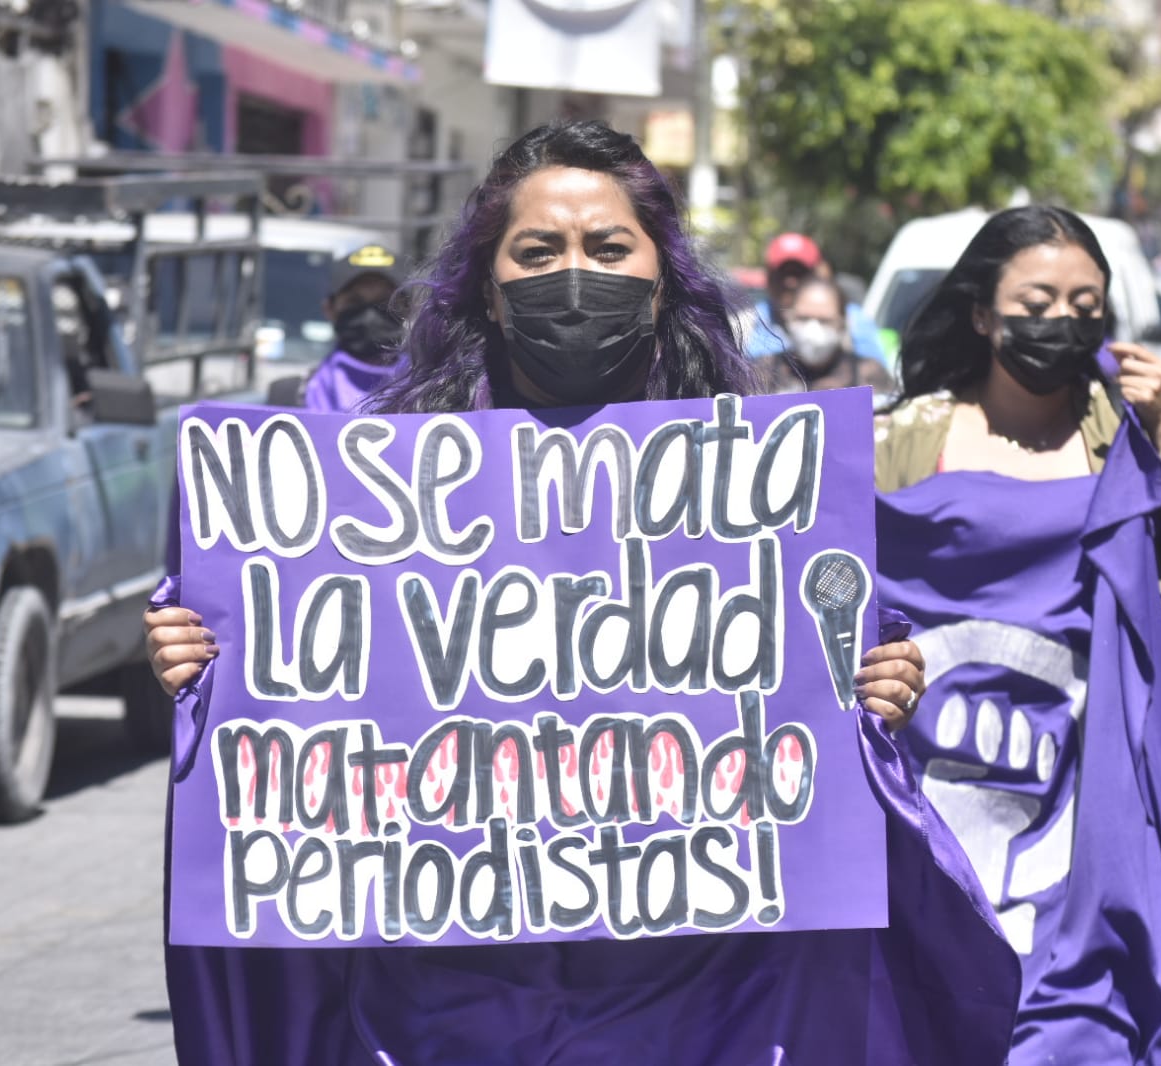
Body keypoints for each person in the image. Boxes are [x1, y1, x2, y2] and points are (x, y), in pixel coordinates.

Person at [142, 119, 1020, 1066]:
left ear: (658, 280)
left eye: (607, 248)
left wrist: (881, 678)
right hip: (445, 995)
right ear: (489, 280)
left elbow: (831, 667)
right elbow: (287, 670)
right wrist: (199, 659)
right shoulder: (374, 480)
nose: (574, 273)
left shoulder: (759, 476)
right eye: (538, 250)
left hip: (701, 991)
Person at [874, 204, 1161, 1063]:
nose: (1062, 323)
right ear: (981, 312)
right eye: (1037, 301)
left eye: (1085, 308)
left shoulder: (1118, 434)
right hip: (933, 787)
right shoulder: (906, 437)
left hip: (1089, 788)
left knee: (1079, 1014)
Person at [744, 233, 886, 365]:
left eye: (798, 273)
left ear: (820, 273)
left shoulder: (853, 321)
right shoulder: (745, 324)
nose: (790, 282)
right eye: (782, 273)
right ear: (768, 276)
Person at [300, 244, 408, 413]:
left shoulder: (434, 396)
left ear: (409, 308)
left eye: (384, 302)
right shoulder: (294, 395)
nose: (370, 315)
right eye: (355, 302)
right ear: (329, 309)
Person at [756, 277, 895, 396]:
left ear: (842, 323)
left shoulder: (868, 374)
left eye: (824, 321)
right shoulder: (761, 372)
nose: (812, 329)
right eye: (804, 318)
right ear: (789, 318)